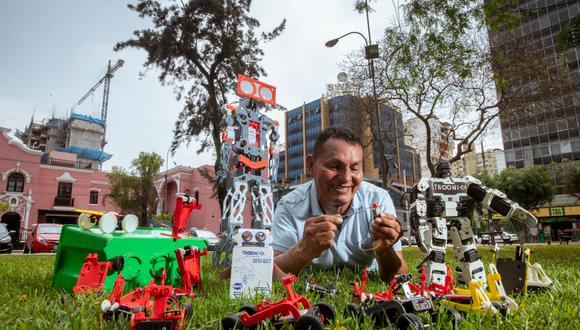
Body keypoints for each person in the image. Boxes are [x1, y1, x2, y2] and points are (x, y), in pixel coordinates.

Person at [273, 127, 408, 281]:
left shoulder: (378, 198)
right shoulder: (289, 205)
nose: (346, 178)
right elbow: (270, 274)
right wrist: (302, 250)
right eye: (335, 167)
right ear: (311, 165)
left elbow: (400, 278)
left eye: (355, 168)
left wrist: (385, 251)